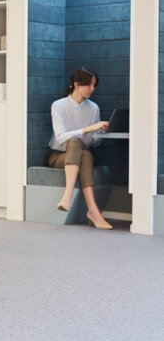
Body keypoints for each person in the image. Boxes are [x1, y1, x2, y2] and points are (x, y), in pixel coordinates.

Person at [48, 67, 113, 230]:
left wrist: (98, 134)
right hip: (59, 156)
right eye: (89, 85)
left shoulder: (94, 108)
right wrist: (88, 129)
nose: (93, 89)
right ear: (76, 84)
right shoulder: (58, 106)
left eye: (94, 85)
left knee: (86, 154)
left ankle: (90, 210)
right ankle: (74, 198)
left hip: (81, 153)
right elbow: (61, 137)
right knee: (75, 142)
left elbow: (92, 144)